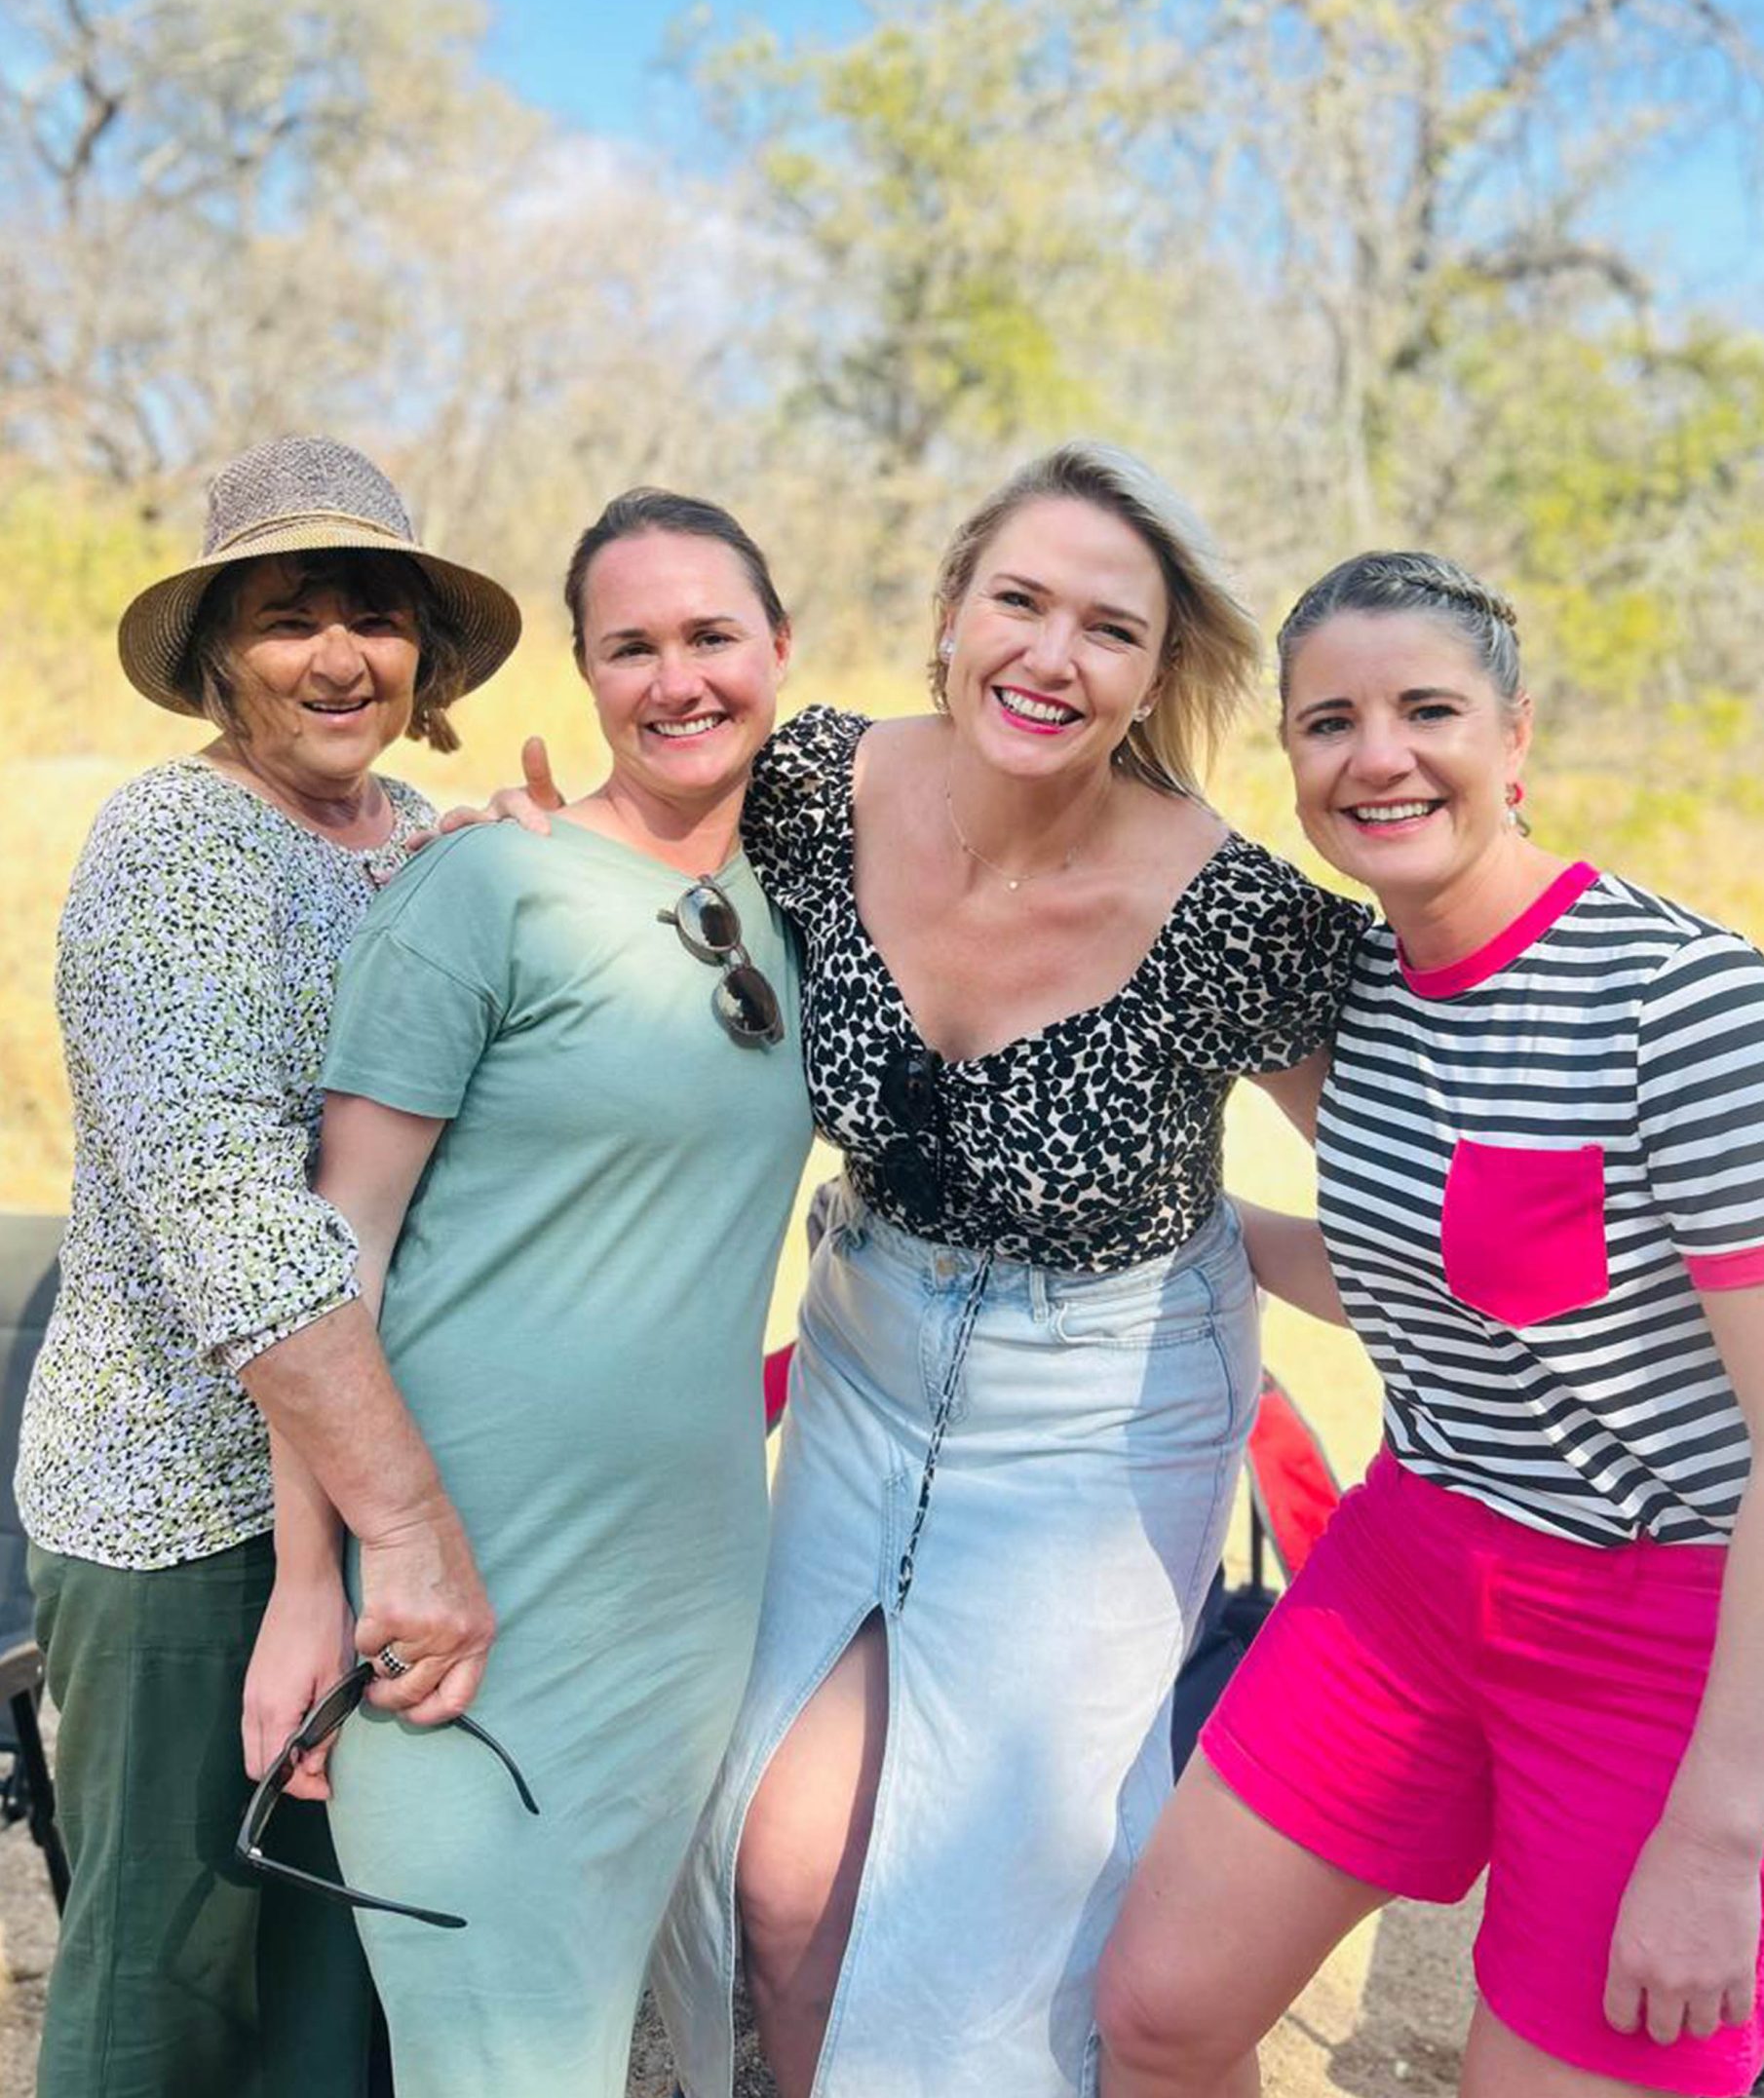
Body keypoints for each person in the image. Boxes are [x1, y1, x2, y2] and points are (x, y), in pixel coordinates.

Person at [474, 443, 1367, 2097]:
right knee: (777, 1880)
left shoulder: (1231, 914)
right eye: (1017, 600)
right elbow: (635, 852)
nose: (1051, 655)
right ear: (950, 610)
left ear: (1156, 672)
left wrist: (1266, 1254)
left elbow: (1395, 1210)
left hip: (1101, 1414)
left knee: (1010, 1927)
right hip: (865, 1355)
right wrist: (524, 852)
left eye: (1108, 628)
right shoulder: (816, 787)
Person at [1096, 552, 1764, 2098]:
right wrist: (1156, 1229)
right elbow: (1431, 1274)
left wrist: (1723, 1832)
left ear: (1513, 735)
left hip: (1656, 1625)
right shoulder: (1361, 988)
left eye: (1426, 710)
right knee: (1156, 2014)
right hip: (1409, 1562)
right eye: (1328, 722)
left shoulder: (1687, 1008)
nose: (1376, 755)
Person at [247, 489, 815, 2097]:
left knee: (588, 2036)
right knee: (498, 2058)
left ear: (780, 648)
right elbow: (331, 1254)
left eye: (711, 636)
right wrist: (308, 1580)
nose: (676, 680)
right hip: (462, 1600)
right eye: (630, 648)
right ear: (583, 672)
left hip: (687, 1602)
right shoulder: (482, 890)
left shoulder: (800, 900)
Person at [18, 436, 519, 2098]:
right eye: (289, 617)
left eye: (374, 617)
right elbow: (230, 1225)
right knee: (173, 1980)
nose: (338, 656)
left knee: (335, 1976)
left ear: (425, 655)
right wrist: (405, 1528)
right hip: (191, 1510)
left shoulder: (426, 836)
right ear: (220, 657)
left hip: (379, 1496)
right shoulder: (179, 847)